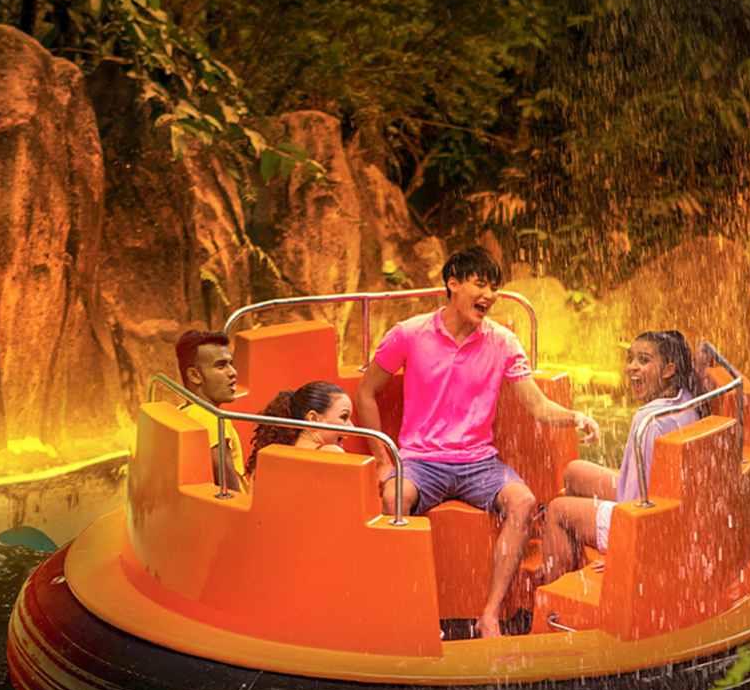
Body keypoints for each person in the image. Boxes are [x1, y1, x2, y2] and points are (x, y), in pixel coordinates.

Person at [354, 245, 600, 639]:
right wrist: (383, 460)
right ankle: (410, 613)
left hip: (478, 463)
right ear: (453, 284)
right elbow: (364, 393)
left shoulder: (503, 342)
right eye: (480, 284)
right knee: (394, 498)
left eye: (494, 287)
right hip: (420, 459)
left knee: (522, 501)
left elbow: (536, 406)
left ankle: (489, 615)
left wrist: (576, 417)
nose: (489, 295)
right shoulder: (409, 333)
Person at [539, 330, 701, 585]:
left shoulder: (649, 421)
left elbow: (638, 500)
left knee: (558, 510)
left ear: (669, 370)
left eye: (644, 360)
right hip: (665, 506)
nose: (631, 368)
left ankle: (553, 596)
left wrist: (626, 550)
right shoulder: (687, 399)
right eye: (630, 358)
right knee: (574, 471)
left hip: (645, 525)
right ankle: (567, 552)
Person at [175, 328, 247, 492]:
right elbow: (230, 489)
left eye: (231, 364)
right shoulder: (210, 419)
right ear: (194, 376)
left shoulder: (186, 411)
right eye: (221, 366)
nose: (233, 372)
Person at [245, 381, 352, 476]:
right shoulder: (332, 453)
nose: (351, 427)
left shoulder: (266, 457)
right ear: (313, 418)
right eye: (344, 417)